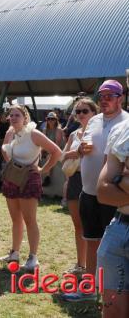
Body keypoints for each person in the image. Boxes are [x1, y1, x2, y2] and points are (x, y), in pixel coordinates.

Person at [62, 79, 129, 302]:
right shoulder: (93, 121)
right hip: (88, 192)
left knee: (113, 249)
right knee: (92, 241)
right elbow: (83, 149)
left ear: (121, 97)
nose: (105, 99)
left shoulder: (126, 121)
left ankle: (113, 294)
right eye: (101, 96)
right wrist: (80, 149)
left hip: (113, 198)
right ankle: (90, 290)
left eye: (110, 95)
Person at [0, 105, 62, 271]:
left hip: (29, 179)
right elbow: (4, 151)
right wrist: (13, 163)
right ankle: (14, 253)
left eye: (17, 115)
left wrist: (42, 169)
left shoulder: (34, 133)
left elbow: (56, 152)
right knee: (15, 220)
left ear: (25, 117)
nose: (13, 118)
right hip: (12, 177)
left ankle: (33, 257)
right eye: (11, 115)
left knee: (30, 220)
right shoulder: (10, 133)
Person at [60, 98, 98, 275]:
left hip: (94, 181)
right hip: (75, 180)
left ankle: (95, 267)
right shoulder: (75, 134)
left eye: (85, 111)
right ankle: (81, 264)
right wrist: (77, 153)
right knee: (78, 226)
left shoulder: (99, 132)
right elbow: (62, 156)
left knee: (96, 227)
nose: (81, 114)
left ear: (94, 113)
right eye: (78, 111)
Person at [96, 117, 129, 318]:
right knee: (113, 311)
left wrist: (122, 180)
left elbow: (112, 185)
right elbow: (103, 192)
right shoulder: (122, 129)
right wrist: (120, 178)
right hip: (118, 230)